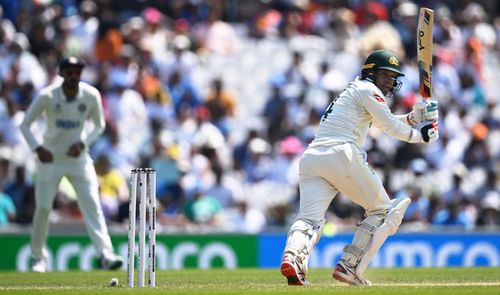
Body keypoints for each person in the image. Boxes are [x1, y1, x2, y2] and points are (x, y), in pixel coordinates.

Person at [279, 50, 439, 286]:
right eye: (385, 75)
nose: (390, 81)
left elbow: (385, 119)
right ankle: (350, 266)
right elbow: (391, 127)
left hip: (313, 158)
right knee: (383, 212)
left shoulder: (356, 90)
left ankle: (293, 259)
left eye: (393, 77)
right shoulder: (368, 90)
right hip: (340, 153)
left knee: (309, 219)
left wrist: (415, 118)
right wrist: (421, 136)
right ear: (370, 72)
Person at [19, 57, 123, 272]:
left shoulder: (90, 95)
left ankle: (105, 254)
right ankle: (38, 257)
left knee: (92, 203)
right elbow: (25, 125)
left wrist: (83, 143)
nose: (74, 76)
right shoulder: (47, 96)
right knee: (44, 208)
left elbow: (99, 125)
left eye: (77, 72)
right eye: (70, 72)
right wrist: (38, 149)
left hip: (78, 159)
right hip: (51, 158)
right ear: (62, 74)